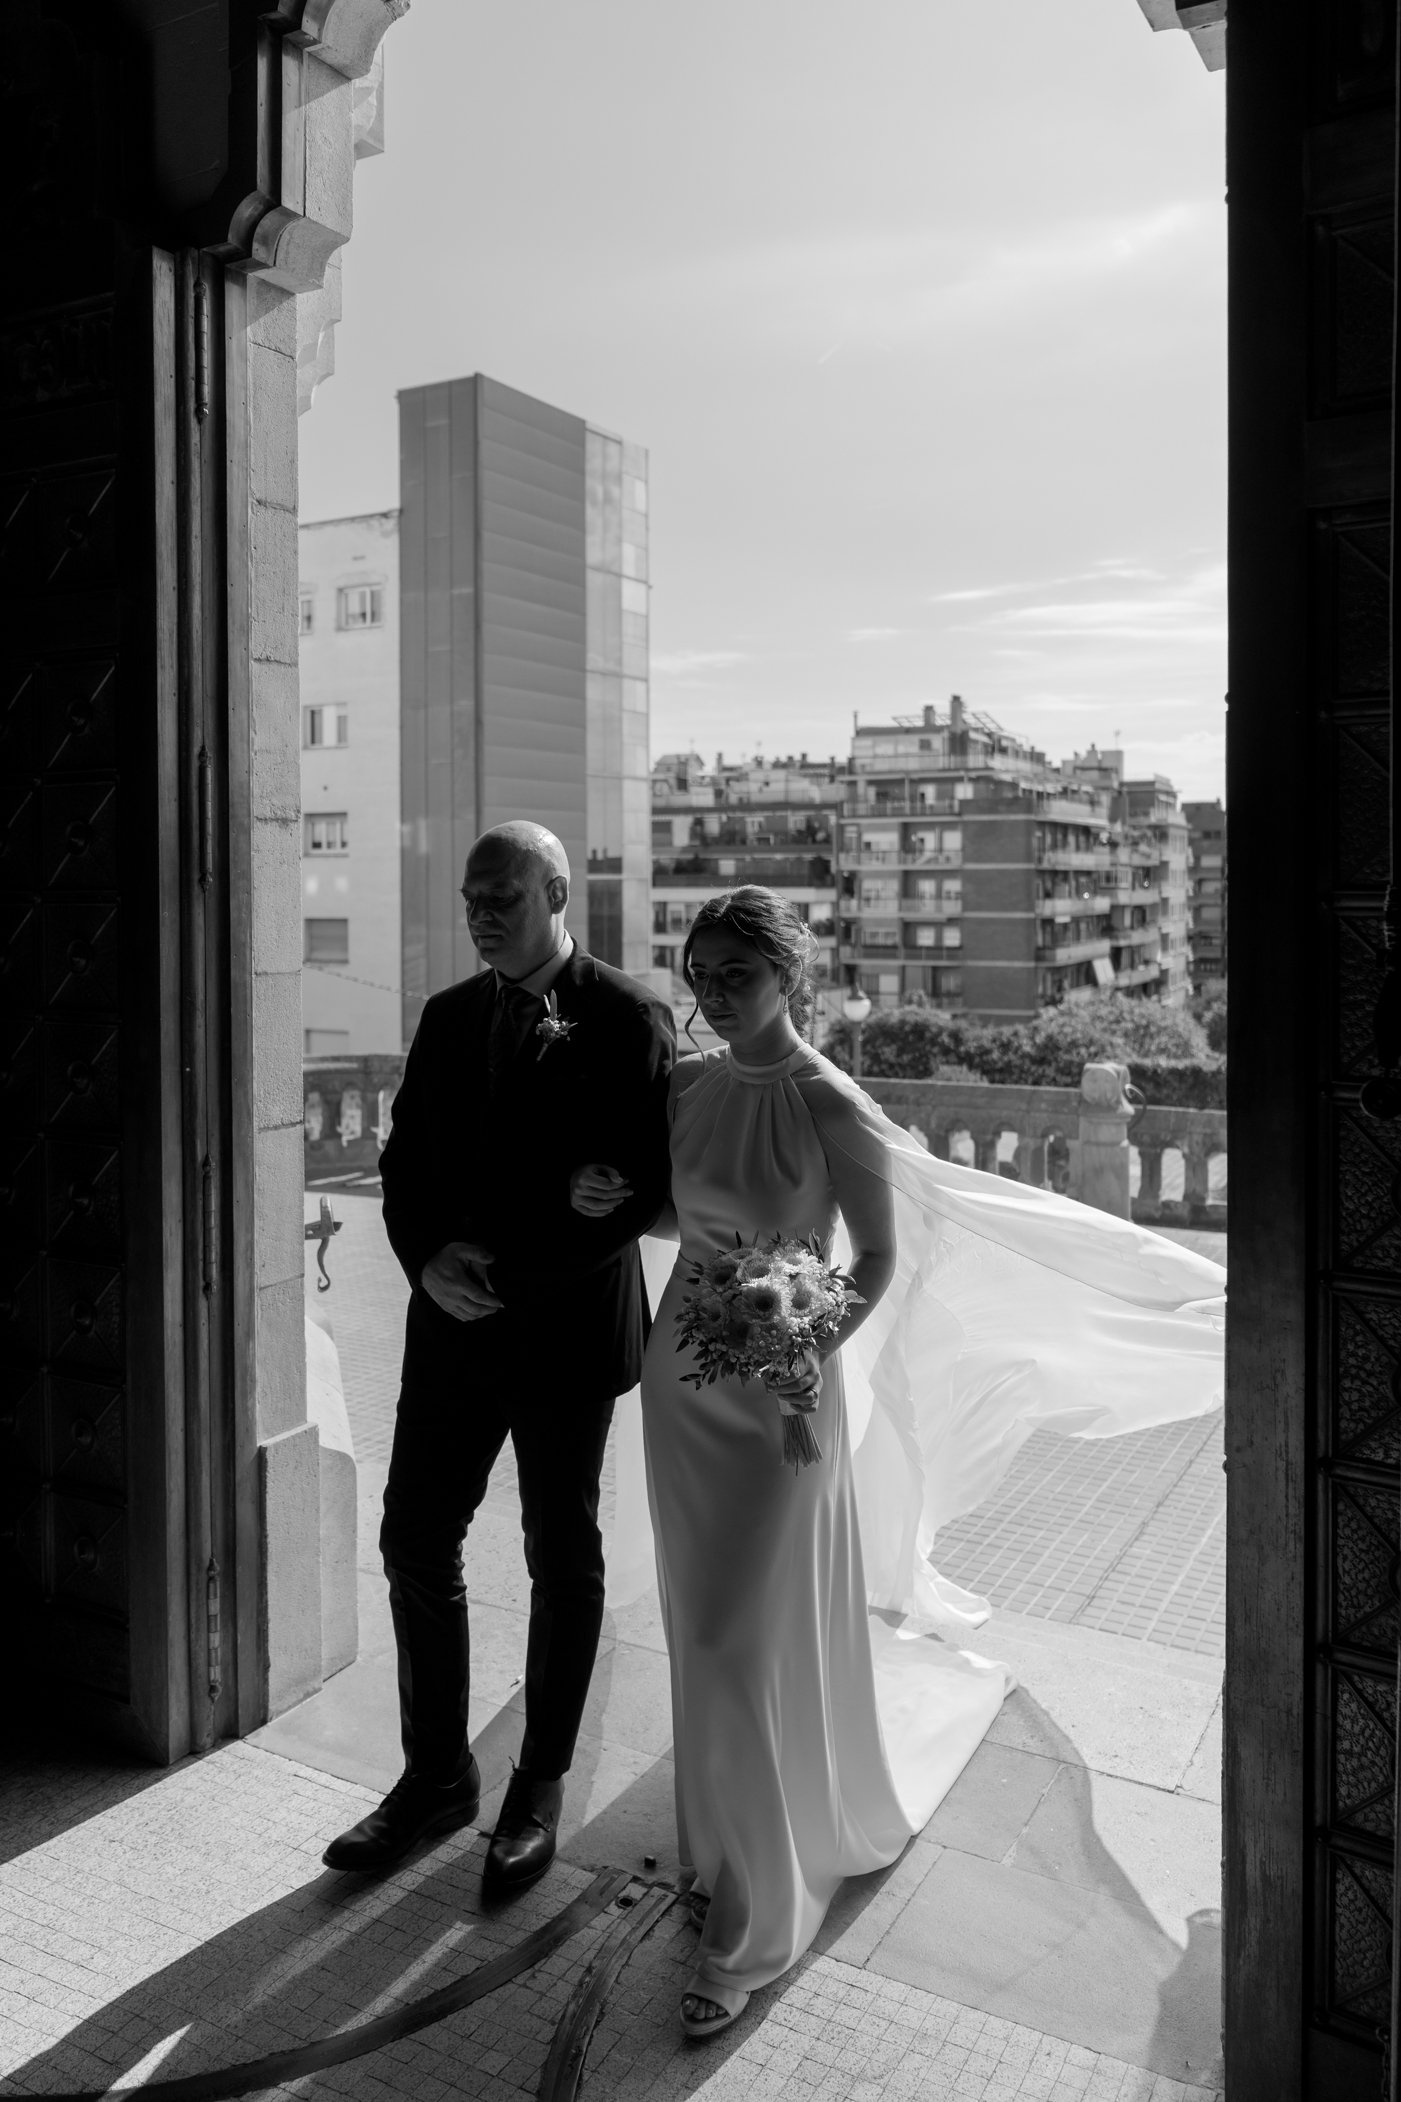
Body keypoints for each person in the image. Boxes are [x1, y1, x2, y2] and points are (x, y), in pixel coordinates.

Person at [573, 884, 1226, 2037]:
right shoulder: (684, 1083)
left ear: (790, 975)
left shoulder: (830, 1100)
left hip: (781, 1400)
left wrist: (798, 1345)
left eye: (736, 972)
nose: (712, 992)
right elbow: (688, 1221)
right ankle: (724, 1848)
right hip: (683, 1386)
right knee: (703, 1630)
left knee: (745, 1634)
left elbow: (873, 1255)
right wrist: (616, 1206)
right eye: (701, 971)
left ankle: (757, 1928)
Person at [322, 823, 675, 1890]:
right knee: (413, 1538)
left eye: (503, 897)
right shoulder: (445, 1015)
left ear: (558, 893)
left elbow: (646, 1188)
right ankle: (436, 1775)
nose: (481, 913)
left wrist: (513, 1270)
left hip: (566, 1334)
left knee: (560, 1556)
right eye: (472, 897)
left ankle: (537, 1782)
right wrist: (428, 1260)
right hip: (450, 1329)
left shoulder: (625, 1015)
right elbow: (403, 1161)